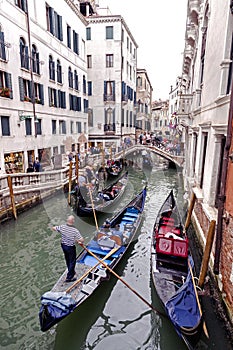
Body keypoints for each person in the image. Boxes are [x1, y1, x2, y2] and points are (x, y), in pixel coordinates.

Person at [52, 215, 84, 282]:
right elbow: (82, 240)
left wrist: (62, 232)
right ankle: (69, 277)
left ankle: (71, 271)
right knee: (72, 261)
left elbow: (54, 228)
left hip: (64, 246)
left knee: (67, 259)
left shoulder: (62, 227)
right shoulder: (75, 230)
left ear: (67, 220)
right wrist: (78, 240)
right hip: (70, 247)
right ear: (73, 221)